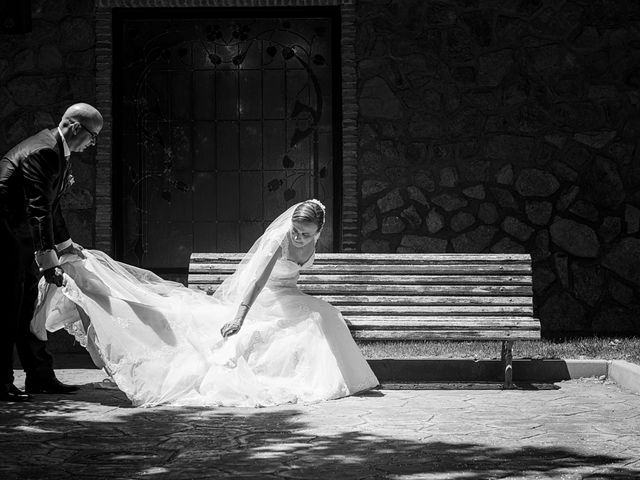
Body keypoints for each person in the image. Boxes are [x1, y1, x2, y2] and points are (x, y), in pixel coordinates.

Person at [32, 199, 379, 407]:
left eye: (307, 234)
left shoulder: (312, 239)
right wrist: (240, 316)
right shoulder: (280, 240)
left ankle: (333, 381)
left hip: (289, 296)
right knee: (178, 316)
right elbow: (257, 280)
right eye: (296, 230)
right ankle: (85, 288)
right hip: (263, 298)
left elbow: (295, 277)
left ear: (319, 231)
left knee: (326, 316)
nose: (299, 237)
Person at [0, 103, 103, 402]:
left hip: (21, 238)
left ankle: (40, 377)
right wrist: (48, 263)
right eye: (92, 136)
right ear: (74, 127)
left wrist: (66, 246)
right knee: (8, 309)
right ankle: (2, 382)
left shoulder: (58, 151)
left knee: (29, 308)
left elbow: (52, 207)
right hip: (5, 236)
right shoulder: (44, 150)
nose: (93, 143)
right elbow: (38, 210)